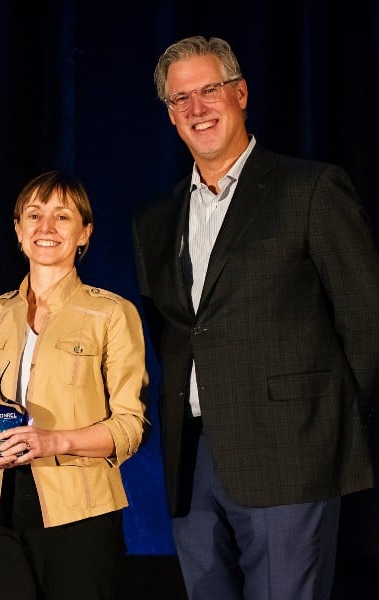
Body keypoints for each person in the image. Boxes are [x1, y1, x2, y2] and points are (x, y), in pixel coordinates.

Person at [132, 35, 379, 600]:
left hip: (291, 454)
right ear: (170, 116)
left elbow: (367, 321)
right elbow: (174, 333)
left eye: (209, 90)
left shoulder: (311, 189)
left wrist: (324, 426)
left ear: (240, 94)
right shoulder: (154, 218)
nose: (197, 108)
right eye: (180, 100)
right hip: (191, 459)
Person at [0, 171, 148, 600]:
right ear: (18, 230)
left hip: (81, 518)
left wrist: (52, 440)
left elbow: (131, 426)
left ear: (85, 233)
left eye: (62, 216)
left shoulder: (112, 314)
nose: (46, 227)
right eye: (34, 215)